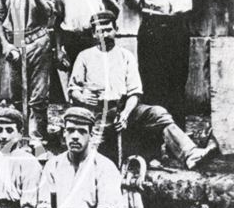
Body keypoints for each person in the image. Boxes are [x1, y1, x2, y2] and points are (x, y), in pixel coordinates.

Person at [68, 11, 213, 169]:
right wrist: (82, 98)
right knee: (91, 157)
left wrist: (125, 114)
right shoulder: (85, 57)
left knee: (158, 113)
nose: (105, 35)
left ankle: (190, 154)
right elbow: (73, 89)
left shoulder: (126, 56)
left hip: (124, 109)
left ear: (116, 29)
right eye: (100, 31)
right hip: (96, 112)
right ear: (94, 34)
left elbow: (134, 92)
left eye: (108, 30)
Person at [128, 0, 234, 129]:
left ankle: (177, 139)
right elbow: (133, 3)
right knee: (150, 84)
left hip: (177, 29)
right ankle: (152, 144)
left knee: (177, 83)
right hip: (151, 29)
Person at [0, 0, 57, 141]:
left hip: (38, 40)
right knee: (14, 95)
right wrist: (5, 44)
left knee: (38, 97)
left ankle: (37, 140)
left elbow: (48, 12)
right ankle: (16, 138)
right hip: (15, 43)